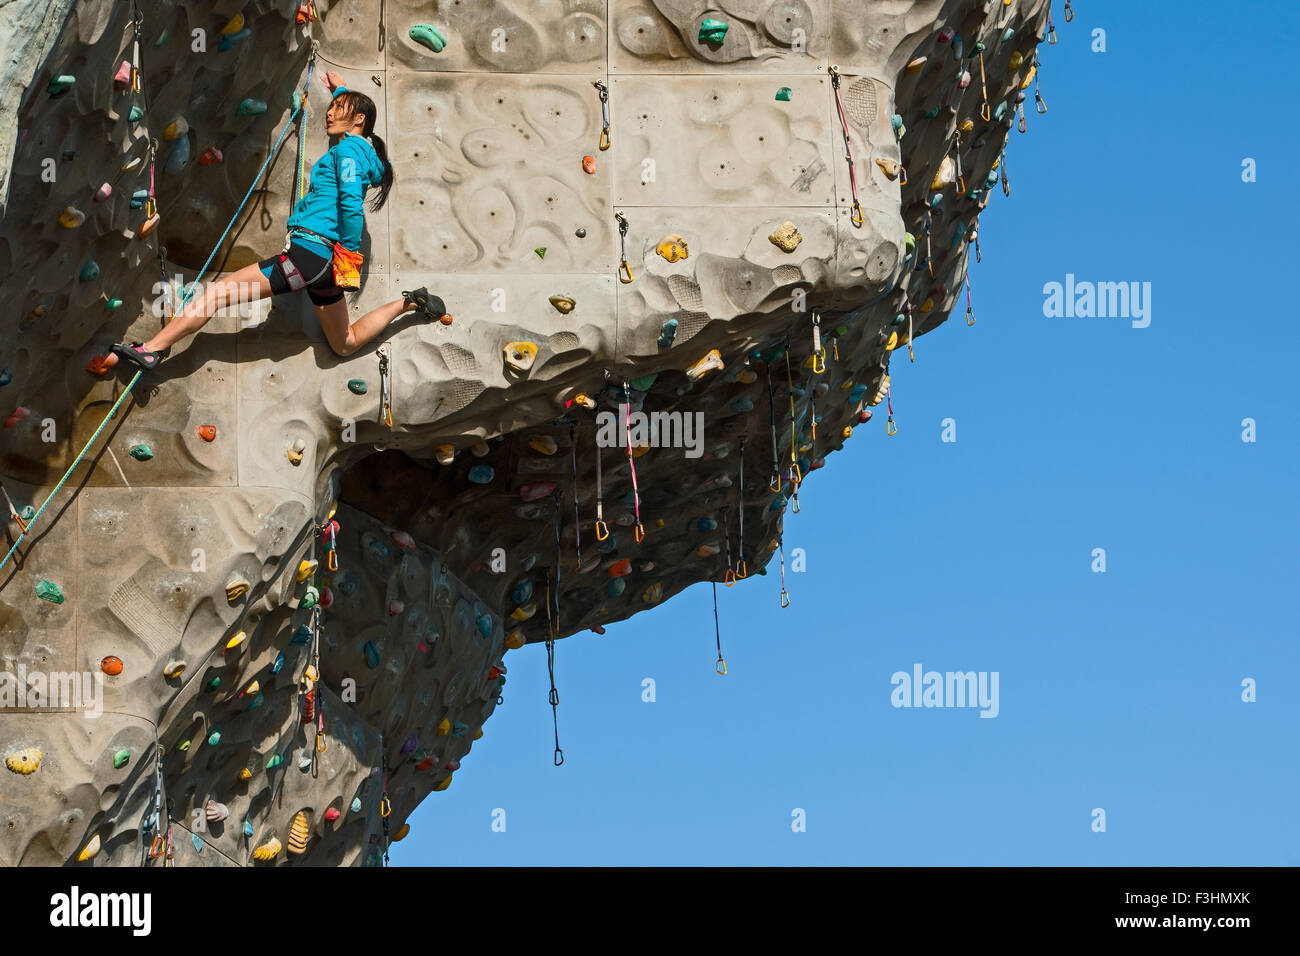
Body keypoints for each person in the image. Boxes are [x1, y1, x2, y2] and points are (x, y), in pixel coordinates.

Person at [107, 70, 447, 371]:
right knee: (344, 343)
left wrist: (351, 256)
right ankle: (410, 302)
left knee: (216, 294)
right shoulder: (362, 154)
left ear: (357, 120)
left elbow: (349, 203)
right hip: (321, 266)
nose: (329, 114)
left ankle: (152, 350)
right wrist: (340, 92)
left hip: (311, 254)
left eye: (337, 110)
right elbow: (352, 144)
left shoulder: (347, 153)